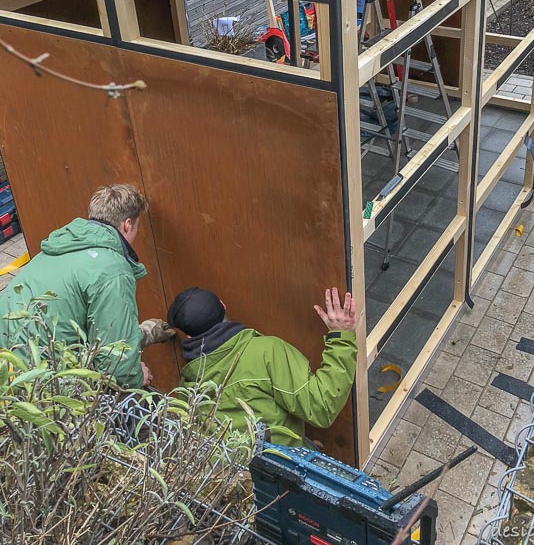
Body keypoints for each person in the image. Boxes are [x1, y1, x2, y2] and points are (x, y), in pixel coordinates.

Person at [0, 184, 173, 388]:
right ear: (127, 224)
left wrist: (143, 333)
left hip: (8, 365)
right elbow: (116, 367)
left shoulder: (59, 247)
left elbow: (77, 325)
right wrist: (135, 377)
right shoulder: (112, 269)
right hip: (36, 385)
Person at [168, 286, 357, 446]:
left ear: (190, 337)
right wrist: (341, 336)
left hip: (234, 475)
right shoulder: (266, 352)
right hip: (278, 470)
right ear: (223, 305)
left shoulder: (187, 384)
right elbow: (322, 407)